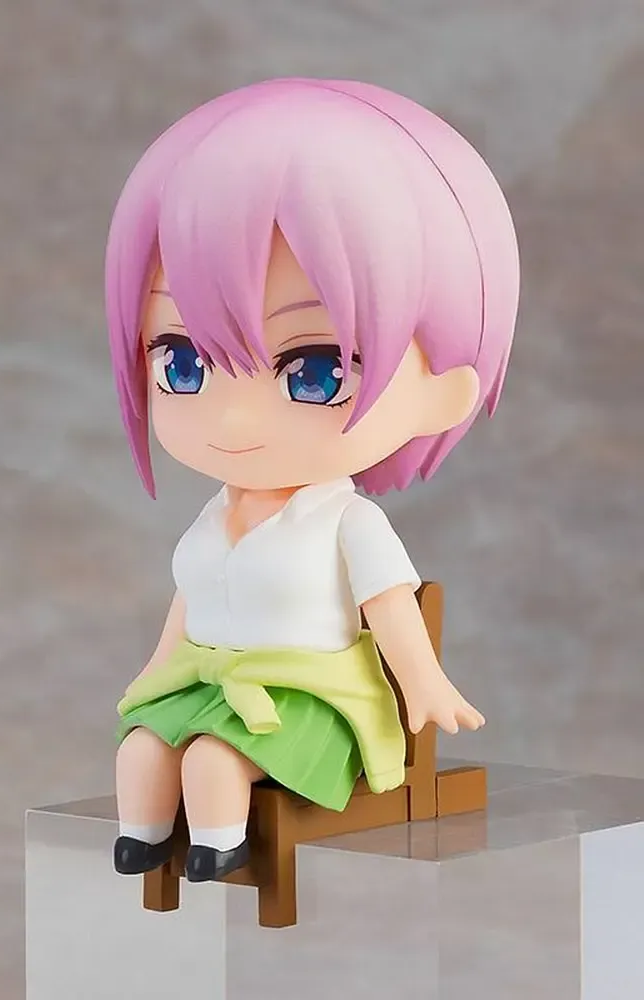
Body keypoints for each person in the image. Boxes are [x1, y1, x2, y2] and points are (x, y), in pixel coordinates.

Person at [104, 78, 520, 883]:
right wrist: (155, 671)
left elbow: (390, 609)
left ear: (442, 392)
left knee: (213, 760)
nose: (234, 421)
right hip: (213, 685)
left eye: (315, 371)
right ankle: (143, 842)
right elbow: (190, 603)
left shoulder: (346, 523)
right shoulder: (213, 518)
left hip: (312, 697)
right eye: (183, 363)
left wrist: (424, 684)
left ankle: (218, 846)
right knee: (143, 746)